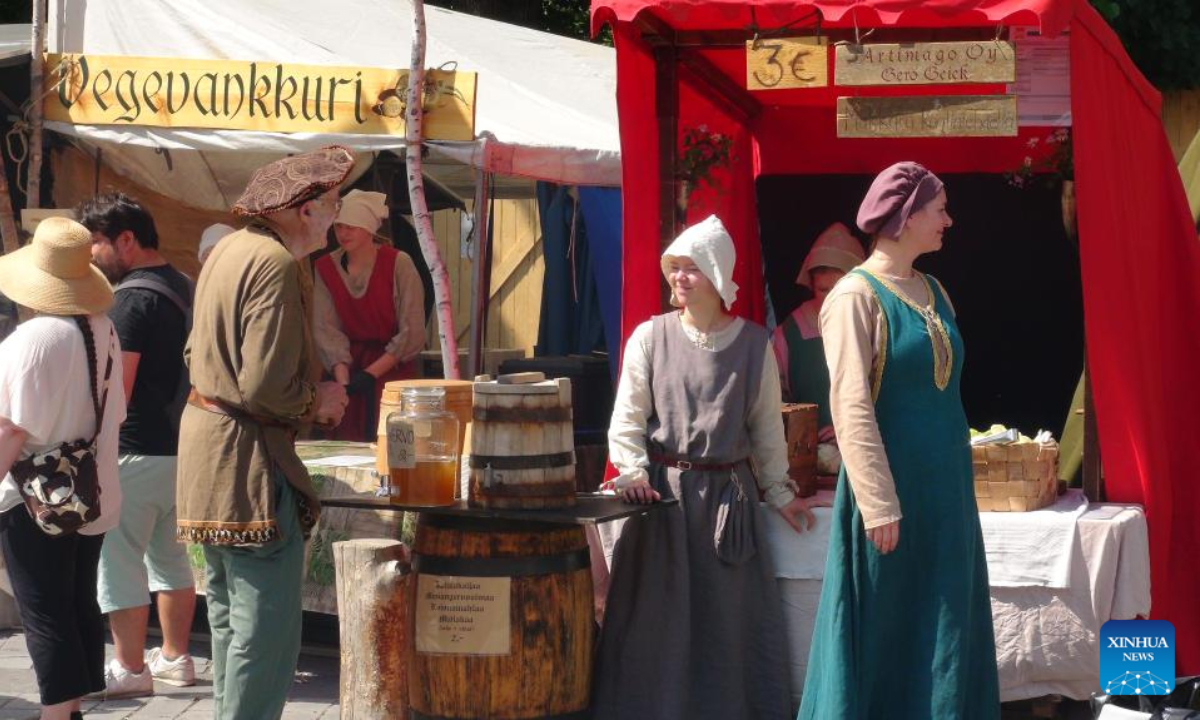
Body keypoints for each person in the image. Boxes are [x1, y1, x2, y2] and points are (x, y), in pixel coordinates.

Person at [594, 215, 819, 720]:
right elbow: (627, 418)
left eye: (691, 268)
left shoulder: (754, 345)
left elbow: (766, 428)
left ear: (717, 274)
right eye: (674, 266)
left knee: (727, 624)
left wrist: (781, 493)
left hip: (728, 504)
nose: (679, 277)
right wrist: (633, 473)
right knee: (656, 622)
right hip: (663, 503)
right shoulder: (650, 337)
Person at [799, 162, 1000, 719]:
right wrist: (878, 503)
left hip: (946, 494)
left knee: (946, 624)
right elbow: (851, 405)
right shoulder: (854, 297)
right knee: (889, 631)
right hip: (892, 497)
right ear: (908, 216)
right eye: (940, 209)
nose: (948, 221)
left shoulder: (934, 290)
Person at [176, 146, 351, 720]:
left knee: (230, 616)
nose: (337, 215)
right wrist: (317, 400)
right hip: (247, 458)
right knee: (265, 628)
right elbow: (263, 386)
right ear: (305, 210)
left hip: (209, 449)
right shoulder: (273, 262)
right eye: (333, 203)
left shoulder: (228, 249)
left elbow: (194, 355)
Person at [0, 217, 126, 720]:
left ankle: (57, 714)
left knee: (44, 610)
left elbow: (10, 430)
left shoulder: (32, 340)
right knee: (74, 601)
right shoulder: (103, 329)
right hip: (91, 490)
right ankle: (69, 709)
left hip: (33, 500)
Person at [79, 193, 198, 698]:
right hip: (183, 448)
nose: (92, 254)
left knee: (120, 558)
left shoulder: (130, 301)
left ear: (126, 240)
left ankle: (129, 668)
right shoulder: (185, 285)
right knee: (171, 557)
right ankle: (175, 657)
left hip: (134, 450)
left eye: (97, 242)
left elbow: (118, 391)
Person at [313, 190, 425, 441]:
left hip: (392, 372)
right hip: (346, 371)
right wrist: (345, 384)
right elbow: (326, 328)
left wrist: (371, 374)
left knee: (392, 442)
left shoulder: (398, 263)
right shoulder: (325, 267)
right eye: (339, 226)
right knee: (345, 447)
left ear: (368, 228)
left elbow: (412, 328)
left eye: (351, 227)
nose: (343, 233)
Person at [771, 221, 866, 436]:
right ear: (813, 285)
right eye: (824, 290)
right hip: (811, 448)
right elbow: (771, 401)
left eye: (840, 289)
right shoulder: (790, 333)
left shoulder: (874, 324)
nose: (833, 298)